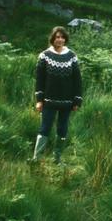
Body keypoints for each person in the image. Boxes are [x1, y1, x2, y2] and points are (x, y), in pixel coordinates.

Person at [33, 26, 83, 161]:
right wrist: (39, 100)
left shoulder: (72, 56)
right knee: (45, 128)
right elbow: (40, 80)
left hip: (67, 102)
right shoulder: (44, 56)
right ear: (53, 39)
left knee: (62, 130)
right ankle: (36, 159)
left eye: (62, 37)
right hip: (48, 101)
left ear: (65, 39)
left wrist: (77, 100)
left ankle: (57, 158)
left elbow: (77, 80)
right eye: (57, 37)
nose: (59, 40)